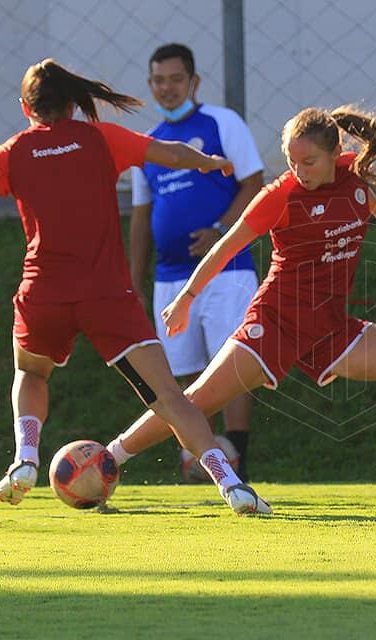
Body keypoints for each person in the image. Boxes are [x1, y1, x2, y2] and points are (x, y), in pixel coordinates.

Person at [0, 58, 271, 515]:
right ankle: (231, 483)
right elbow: (174, 154)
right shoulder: (101, 138)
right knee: (168, 396)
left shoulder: (8, 154)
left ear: (26, 107)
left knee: (32, 373)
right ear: (73, 104)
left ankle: (25, 459)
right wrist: (209, 162)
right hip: (107, 296)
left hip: (44, 294)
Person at [106, 104, 376, 501]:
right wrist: (186, 298)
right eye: (291, 161)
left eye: (309, 162)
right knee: (195, 402)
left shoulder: (352, 177)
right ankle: (110, 457)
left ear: (335, 154)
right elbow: (225, 247)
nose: (299, 171)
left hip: (330, 329)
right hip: (276, 323)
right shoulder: (279, 196)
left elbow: (363, 198)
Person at [130, 43, 263, 480]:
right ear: (150, 85)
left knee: (232, 364)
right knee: (184, 374)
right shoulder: (146, 144)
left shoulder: (223, 123)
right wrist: (133, 282)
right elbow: (141, 216)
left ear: (194, 82)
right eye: (159, 81)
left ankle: (239, 457)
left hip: (227, 270)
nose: (167, 88)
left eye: (176, 79)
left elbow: (254, 184)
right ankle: (203, 462)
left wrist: (220, 231)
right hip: (169, 278)